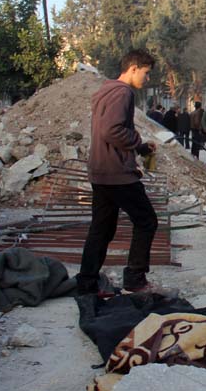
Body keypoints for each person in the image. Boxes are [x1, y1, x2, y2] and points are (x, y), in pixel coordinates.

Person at [76, 49, 160, 295]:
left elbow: (109, 130)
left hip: (100, 170)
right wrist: (136, 138)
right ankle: (135, 279)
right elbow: (112, 131)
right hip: (117, 173)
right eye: (146, 73)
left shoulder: (106, 90)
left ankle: (87, 283)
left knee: (101, 228)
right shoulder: (123, 92)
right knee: (147, 221)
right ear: (133, 68)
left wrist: (141, 148)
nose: (147, 79)